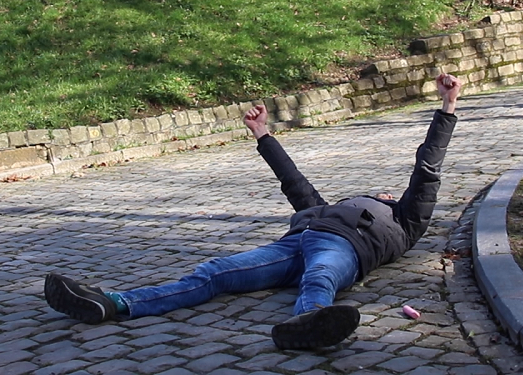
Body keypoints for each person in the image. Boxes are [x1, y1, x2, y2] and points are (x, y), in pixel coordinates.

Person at [44, 73, 462, 350]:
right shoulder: (324, 209)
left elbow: (427, 169)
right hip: (293, 244)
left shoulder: (406, 223)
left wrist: (447, 108)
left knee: (320, 277)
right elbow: (293, 181)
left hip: (343, 251)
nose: (381, 192)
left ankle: (310, 322)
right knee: (214, 272)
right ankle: (115, 303)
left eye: (386, 193)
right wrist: (262, 134)